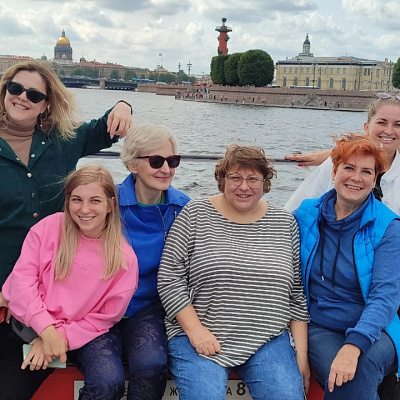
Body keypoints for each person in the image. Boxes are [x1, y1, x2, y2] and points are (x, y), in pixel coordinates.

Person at [158, 144, 310, 400]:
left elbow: (296, 294)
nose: (244, 186)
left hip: (267, 338)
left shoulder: (285, 223)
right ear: (222, 179)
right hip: (200, 333)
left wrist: (302, 356)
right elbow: (169, 278)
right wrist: (195, 331)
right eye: (235, 178)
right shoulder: (194, 214)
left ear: (265, 182)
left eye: (253, 179)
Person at [0, 166, 139, 400]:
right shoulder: (48, 227)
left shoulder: (124, 259)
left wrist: (57, 338)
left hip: (74, 337)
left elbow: (105, 317)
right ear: (68, 201)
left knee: (108, 383)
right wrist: (46, 330)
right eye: (77, 199)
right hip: (27, 326)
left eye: (95, 200)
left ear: (110, 205)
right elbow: (22, 283)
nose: (84, 209)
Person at [0, 60, 133, 288]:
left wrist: (123, 105)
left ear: (45, 105)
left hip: (54, 275)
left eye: (34, 95)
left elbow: (105, 129)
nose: (22, 97)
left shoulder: (63, 139)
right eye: (15, 88)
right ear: (5, 91)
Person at [294, 135, 400, 399]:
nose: (356, 178)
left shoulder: (389, 227)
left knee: (359, 370)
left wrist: (354, 345)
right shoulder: (306, 214)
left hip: (377, 327)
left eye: (366, 172)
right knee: (341, 378)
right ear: (334, 172)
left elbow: (384, 297)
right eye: (349, 168)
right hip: (321, 325)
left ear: (375, 180)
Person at [117, 125, 190, 400]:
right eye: (156, 161)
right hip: (101, 304)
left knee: (152, 365)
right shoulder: (108, 203)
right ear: (132, 165)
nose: (166, 169)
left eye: (173, 161)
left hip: (150, 307)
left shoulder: (184, 208)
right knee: (105, 377)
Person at [285, 95, 400, 214]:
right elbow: (296, 208)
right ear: (366, 127)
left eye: (398, 125)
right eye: (382, 123)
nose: (389, 131)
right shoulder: (336, 162)